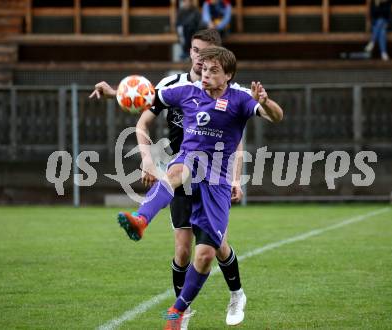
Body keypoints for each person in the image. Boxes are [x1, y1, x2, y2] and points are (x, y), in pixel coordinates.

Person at [115, 46, 283, 329]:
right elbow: (151, 97)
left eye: (214, 70)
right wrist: (118, 93)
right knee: (177, 171)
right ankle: (141, 219)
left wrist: (265, 102)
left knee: (205, 256)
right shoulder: (187, 92)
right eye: (204, 69)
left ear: (228, 75)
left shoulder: (240, 99)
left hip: (217, 181)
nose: (206, 75)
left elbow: (277, 116)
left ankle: (189, 306)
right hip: (189, 163)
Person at [90, 30, 249, 328]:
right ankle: (181, 314)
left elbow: (238, 139)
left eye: (207, 53)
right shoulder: (173, 84)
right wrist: (147, 158)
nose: (201, 58)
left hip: (214, 174)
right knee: (182, 249)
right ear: (189, 52)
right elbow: (144, 111)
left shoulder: (230, 90)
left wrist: (236, 179)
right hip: (182, 169)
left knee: (216, 247)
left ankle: (236, 293)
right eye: (196, 51)